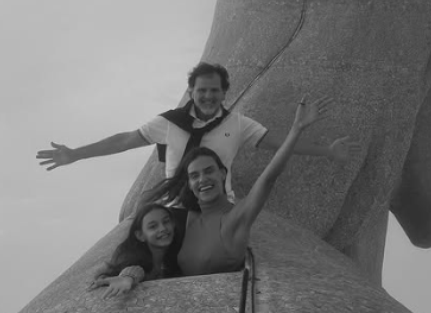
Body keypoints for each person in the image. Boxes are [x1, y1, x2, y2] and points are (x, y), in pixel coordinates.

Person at [36, 62, 360, 199]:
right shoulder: (169, 122)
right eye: (201, 90)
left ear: (224, 93)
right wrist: (76, 154)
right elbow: (124, 140)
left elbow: (279, 142)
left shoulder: (237, 124)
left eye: (214, 91)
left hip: (218, 205)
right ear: (191, 91)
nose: (208, 96)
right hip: (175, 204)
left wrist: (327, 151)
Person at [124, 95, 329, 283]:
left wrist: (296, 130)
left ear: (222, 174)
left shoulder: (236, 217)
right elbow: (143, 216)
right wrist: (131, 274)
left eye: (209, 171)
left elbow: (268, 178)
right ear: (188, 183)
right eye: (194, 176)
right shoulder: (187, 219)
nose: (203, 179)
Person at [87, 203, 185, 298]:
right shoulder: (132, 259)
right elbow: (135, 270)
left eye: (166, 221)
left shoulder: (176, 256)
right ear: (140, 235)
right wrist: (127, 278)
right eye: (153, 226)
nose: (163, 228)